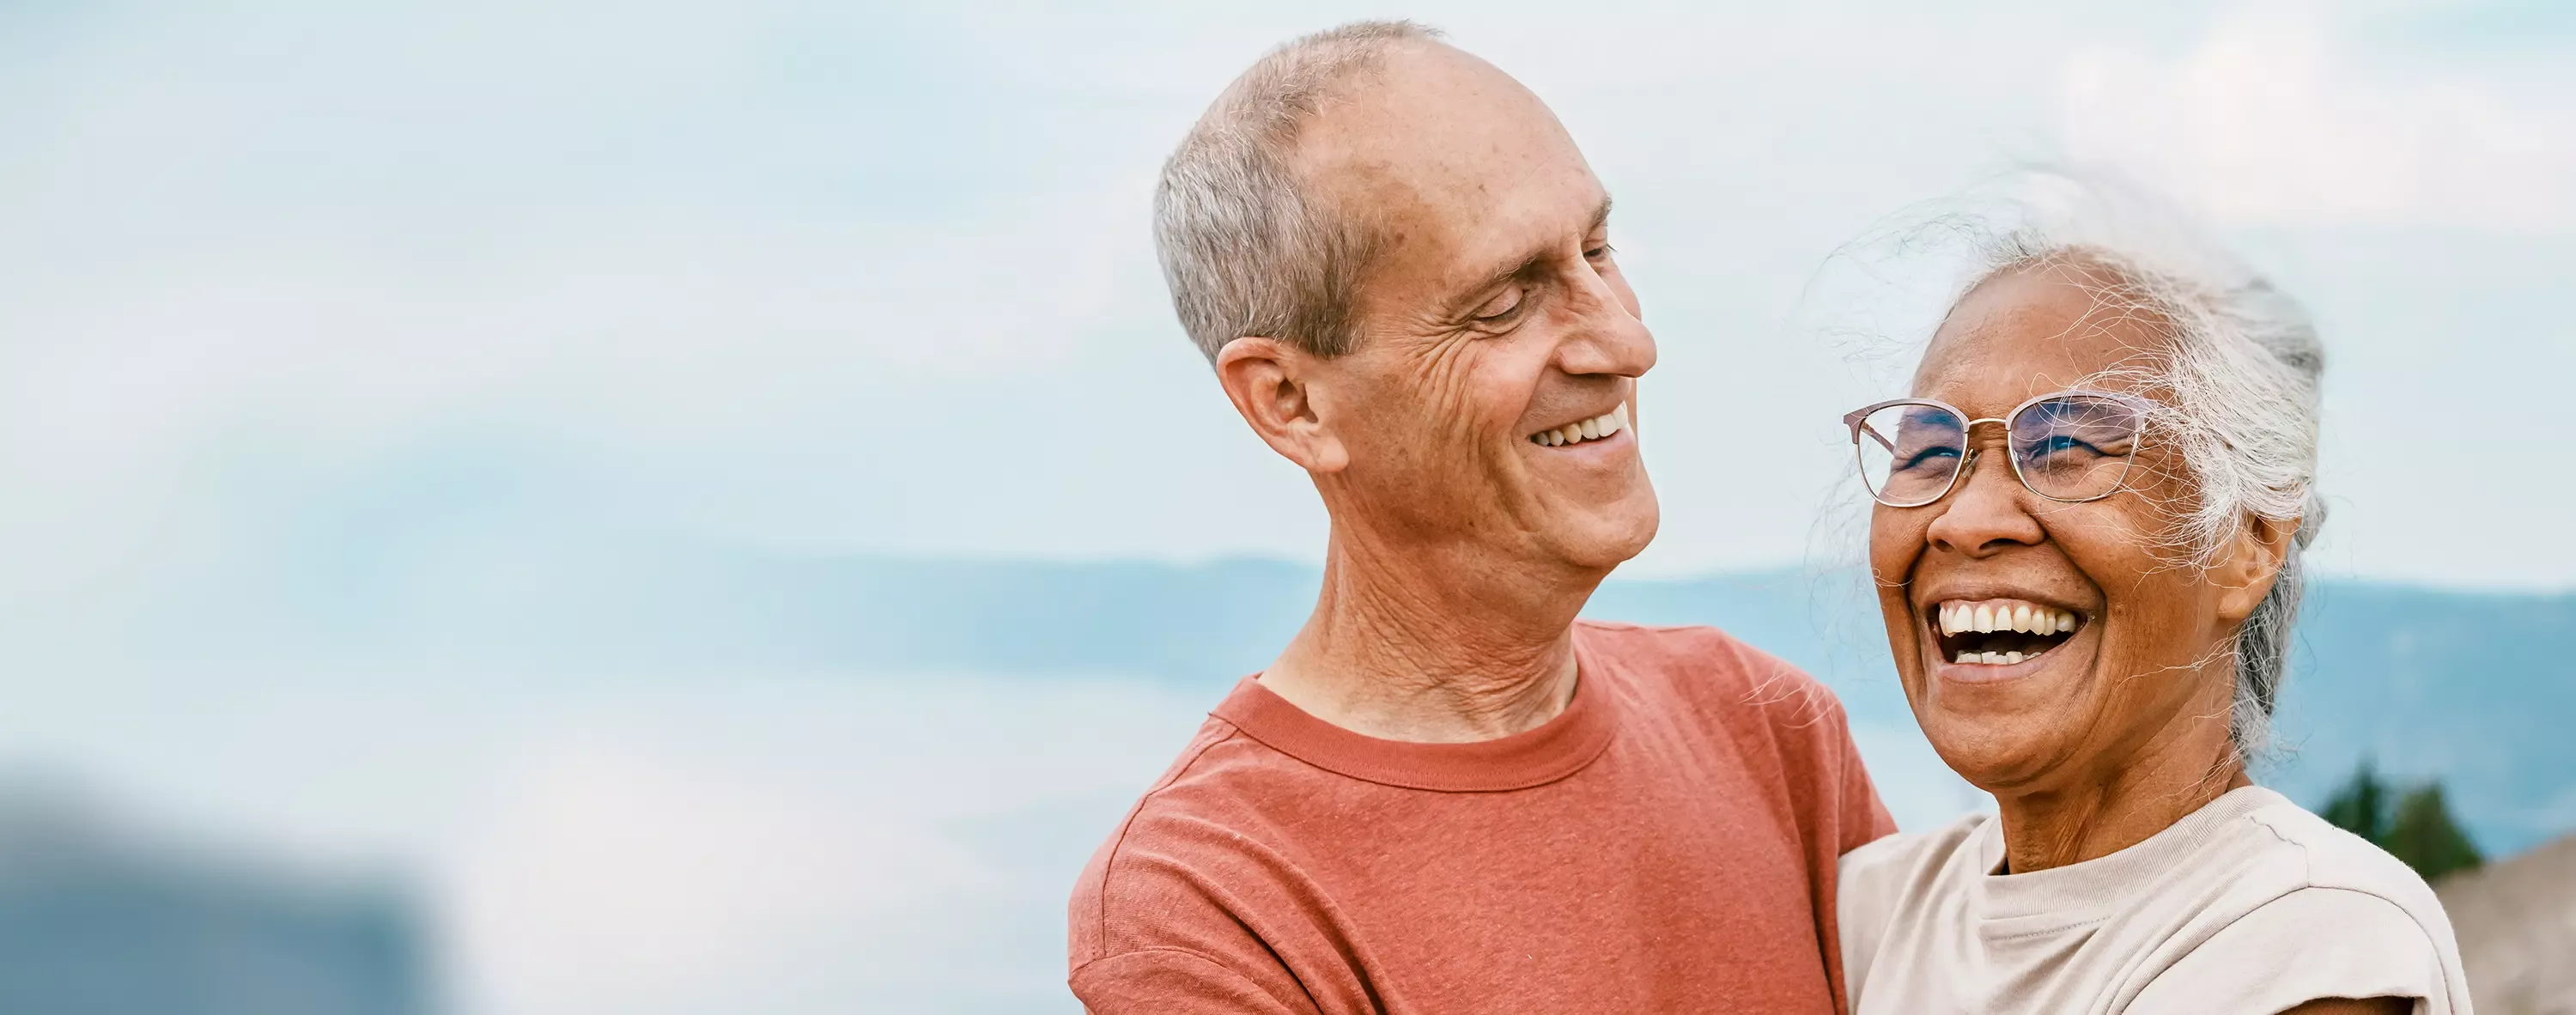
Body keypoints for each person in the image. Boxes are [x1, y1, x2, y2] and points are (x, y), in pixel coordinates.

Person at [1067, 21, 1895, 1013]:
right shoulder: (1213, 903)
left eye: (1598, 248)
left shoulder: (1762, 723)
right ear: (1290, 401)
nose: (1627, 343)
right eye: (1506, 300)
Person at [1833, 185, 2474, 1014]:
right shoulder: (1866, 914)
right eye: (1927, 448)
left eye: (2064, 444)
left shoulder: (2307, 938)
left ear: (2249, 545)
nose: (1965, 519)